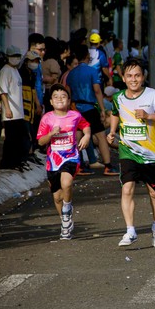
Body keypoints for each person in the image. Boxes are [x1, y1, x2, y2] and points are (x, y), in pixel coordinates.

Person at [107, 58, 155, 247]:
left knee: (154, 193)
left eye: (137, 75)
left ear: (143, 77)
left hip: (150, 153)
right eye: (129, 76)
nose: (133, 79)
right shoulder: (118, 97)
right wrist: (112, 132)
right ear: (123, 78)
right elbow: (115, 113)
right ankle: (130, 230)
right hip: (127, 151)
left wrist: (148, 116)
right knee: (127, 189)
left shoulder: (153, 96)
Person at [36, 84, 91, 240]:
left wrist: (86, 135)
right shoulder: (47, 118)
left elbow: (85, 125)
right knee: (57, 197)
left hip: (71, 156)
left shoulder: (75, 115)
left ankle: (68, 208)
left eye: (63, 96)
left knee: (66, 183)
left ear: (68, 100)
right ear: (51, 102)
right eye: (56, 96)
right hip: (53, 161)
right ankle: (64, 222)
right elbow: (40, 142)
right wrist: (52, 133)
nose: (60, 99)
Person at [66, 45, 119, 176]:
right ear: (86, 56)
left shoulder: (71, 73)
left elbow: (68, 92)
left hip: (76, 108)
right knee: (100, 136)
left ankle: (79, 166)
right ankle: (108, 166)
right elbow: (97, 90)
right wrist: (102, 108)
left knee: (77, 136)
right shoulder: (91, 71)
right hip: (89, 108)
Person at [0, 46, 29, 170]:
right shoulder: (5, 70)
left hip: (18, 112)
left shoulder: (15, 70)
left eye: (18, 56)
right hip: (11, 112)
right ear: (7, 57)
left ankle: (16, 162)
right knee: (11, 139)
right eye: (13, 56)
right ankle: (7, 163)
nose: (16, 59)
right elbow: (3, 92)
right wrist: (7, 109)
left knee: (19, 138)